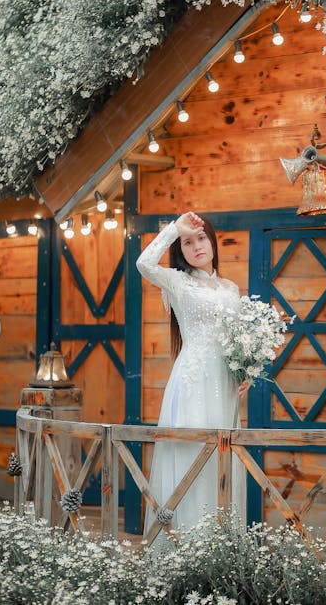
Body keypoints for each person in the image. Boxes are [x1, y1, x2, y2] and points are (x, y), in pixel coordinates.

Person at [136, 211, 248, 538]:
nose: (197, 246)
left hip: (226, 386)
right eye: (188, 242)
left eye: (201, 238)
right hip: (193, 381)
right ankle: (184, 545)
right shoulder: (178, 282)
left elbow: (238, 338)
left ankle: (222, 548)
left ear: (213, 242)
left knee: (224, 459)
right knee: (191, 457)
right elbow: (144, 264)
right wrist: (174, 229)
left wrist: (246, 372)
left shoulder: (231, 287)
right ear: (180, 249)